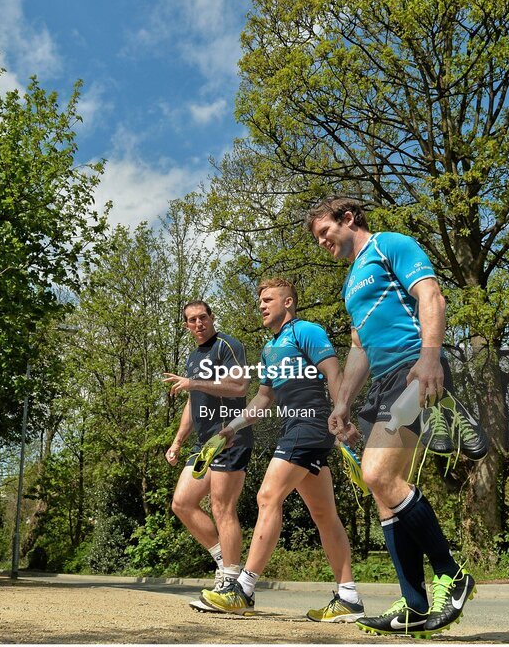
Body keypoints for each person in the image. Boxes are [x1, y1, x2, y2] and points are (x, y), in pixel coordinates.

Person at [306, 197, 489, 637]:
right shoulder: (351, 282)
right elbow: (359, 348)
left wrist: (430, 359)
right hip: (384, 382)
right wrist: (344, 402)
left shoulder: (391, 245)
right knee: (385, 493)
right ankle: (414, 605)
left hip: (414, 369)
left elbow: (432, 296)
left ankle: (452, 574)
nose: (322, 242)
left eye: (324, 232)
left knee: (377, 474)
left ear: (348, 218)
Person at [200, 278, 365, 622]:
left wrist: (341, 416)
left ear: (288, 302)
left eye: (268, 299)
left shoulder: (307, 331)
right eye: (259, 300)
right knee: (323, 514)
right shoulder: (269, 348)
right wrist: (231, 428)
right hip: (295, 426)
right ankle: (348, 597)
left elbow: (333, 373)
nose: (261, 305)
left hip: (311, 424)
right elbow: (263, 398)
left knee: (267, 497)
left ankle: (243, 590)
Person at [163, 300, 253, 613]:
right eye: (192, 320)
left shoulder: (227, 346)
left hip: (231, 436)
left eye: (203, 317)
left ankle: (232, 585)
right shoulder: (193, 357)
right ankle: (224, 563)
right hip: (205, 443)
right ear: (187, 326)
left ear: (212, 318)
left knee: (222, 507)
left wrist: (194, 383)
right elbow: (193, 402)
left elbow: (240, 386)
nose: (198, 323)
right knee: (182, 502)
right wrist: (177, 441)